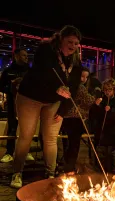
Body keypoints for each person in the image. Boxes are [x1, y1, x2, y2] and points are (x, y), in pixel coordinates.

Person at [10, 25, 82, 188]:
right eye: (70, 41)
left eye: (76, 43)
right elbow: (40, 73)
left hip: (53, 101)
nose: (73, 46)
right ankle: (17, 172)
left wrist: (63, 111)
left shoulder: (76, 62)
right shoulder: (46, 50)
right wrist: (55, 87)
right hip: (31, 97)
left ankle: (50, 173)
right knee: (26, 136)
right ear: (61, 39)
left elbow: (74, 88)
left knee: (50, 138)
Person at [0, 49, 34, 163]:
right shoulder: (8, 71)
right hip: (12, 104)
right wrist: (11, 88)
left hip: (27, 104)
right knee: (12, 128)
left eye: (26, 55)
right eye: (23, 55)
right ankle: (9, 152)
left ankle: (26, 151)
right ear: (16, 56)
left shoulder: (30, 71)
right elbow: (1, 86)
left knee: (26, 129)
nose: (26, 57)